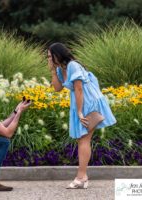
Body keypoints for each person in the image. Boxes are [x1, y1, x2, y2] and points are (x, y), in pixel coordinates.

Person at [48, 43, 116, 189]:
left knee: (84, 139)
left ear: (57, 55)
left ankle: (81, 177)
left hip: (88, 102)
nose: (47, 59)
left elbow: (79, 89)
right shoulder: (61, 69)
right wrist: (53, 71)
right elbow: (57, 88)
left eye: (49, 56)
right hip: (80, 103)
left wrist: (80, 112)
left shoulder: (73, 65)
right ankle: (82, 177)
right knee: (82, 139)